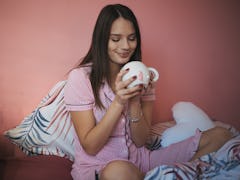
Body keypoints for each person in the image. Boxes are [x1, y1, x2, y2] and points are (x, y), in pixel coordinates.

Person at [64, 4, 232, 180]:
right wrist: (119, 102)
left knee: (221, 135)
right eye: (115, 39)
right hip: (101, 167)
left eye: (131, 38)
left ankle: (173, 175)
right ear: (101, 39)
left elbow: (140, 140)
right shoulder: (81, 78)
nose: (125, 46)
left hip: (143, 161)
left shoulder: (142, 75)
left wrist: (135, 101)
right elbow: (90, 146)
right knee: (119, 171)